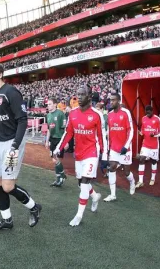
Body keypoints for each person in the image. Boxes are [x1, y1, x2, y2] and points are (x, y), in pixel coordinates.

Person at [0, 62, 41, 231]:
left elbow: (23, 120)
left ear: (0, 75)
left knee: (7, 186)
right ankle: (7, 220)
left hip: (12, 143)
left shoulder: (11, 92)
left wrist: (15, 145)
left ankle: (34, 207)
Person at [54, 84, 107, 227]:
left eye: (82, 94)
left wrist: (105, 155)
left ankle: (78, 216)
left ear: (90, 97)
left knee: (84, 183)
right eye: (78, 94)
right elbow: (69, 132)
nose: (79, 97)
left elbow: (102, 137)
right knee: (80, 184)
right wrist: (59, 147)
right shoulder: (73, 113)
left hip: (92, 152)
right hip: (79, 153)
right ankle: (95, 196)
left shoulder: (97, 114)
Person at [104, 93, 135, 202]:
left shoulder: (126, 113)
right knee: (112, 167)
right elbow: (109, 132)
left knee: (126, 173)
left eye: (113, 100)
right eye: (110, 100)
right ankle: (113, 195)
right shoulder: (110, 114)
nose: (111, 102)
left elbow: (131, 130)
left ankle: (132, 182)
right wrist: (108, 148)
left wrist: (126, 146)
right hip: (114, 148)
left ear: (119, 101)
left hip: (125, 149)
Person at [136, 106, 160, 188]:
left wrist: (155, 135)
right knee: (141, 159)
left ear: (152, 111)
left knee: (153, 161)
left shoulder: (157, 119)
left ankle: (153, 178)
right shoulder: (143, 118)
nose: (147, 114)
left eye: (148, 112)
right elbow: (143, 129)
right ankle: (140, 181)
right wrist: (141, 133)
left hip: (154, 145)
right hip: (145, 144)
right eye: (146, 112)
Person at [45, 97, 67, 187]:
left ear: (55, 104)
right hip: (52, 140)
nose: (48, 106)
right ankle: (60, 177)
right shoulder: (48, 115)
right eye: (47, 104)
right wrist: (46, 141)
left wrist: (66, 142)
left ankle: (60, 178)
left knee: (57, 159)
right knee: (54, 160)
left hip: (60, 139)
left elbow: (65, 129)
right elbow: (49, 130)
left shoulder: (60, 114)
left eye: (50, 104)